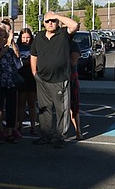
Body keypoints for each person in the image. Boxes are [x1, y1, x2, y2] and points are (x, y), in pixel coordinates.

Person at [29, 11, 79, 148]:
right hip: (42, 80)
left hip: (60, 79)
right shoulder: (39, 36)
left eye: (53, 21)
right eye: (47, 21)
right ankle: (45, 136)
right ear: (43, 23)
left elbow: (74, 25)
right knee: (44, 110)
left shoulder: (63, 34)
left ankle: (59, 137)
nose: (50, 23)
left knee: (62, 110)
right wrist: (34, 73)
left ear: (58, 22)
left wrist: (57, 16)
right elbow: (33, 55)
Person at [0, 25, 22, 142]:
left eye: (1, 31)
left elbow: (18, 57)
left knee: (11, 106)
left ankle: (10, 131)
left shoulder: (10, 45)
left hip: (10, 80)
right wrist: (6, 45)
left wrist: (12, 42)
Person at [15, 27, 37, 138]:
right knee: (21, 104)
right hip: (21, 77)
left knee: (32, 104)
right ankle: (20, 126)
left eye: (28, 37)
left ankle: (33, 126)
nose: (25, 40)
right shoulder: (17, 47)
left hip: (31, 78)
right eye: (23, 37)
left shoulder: (34, 48)